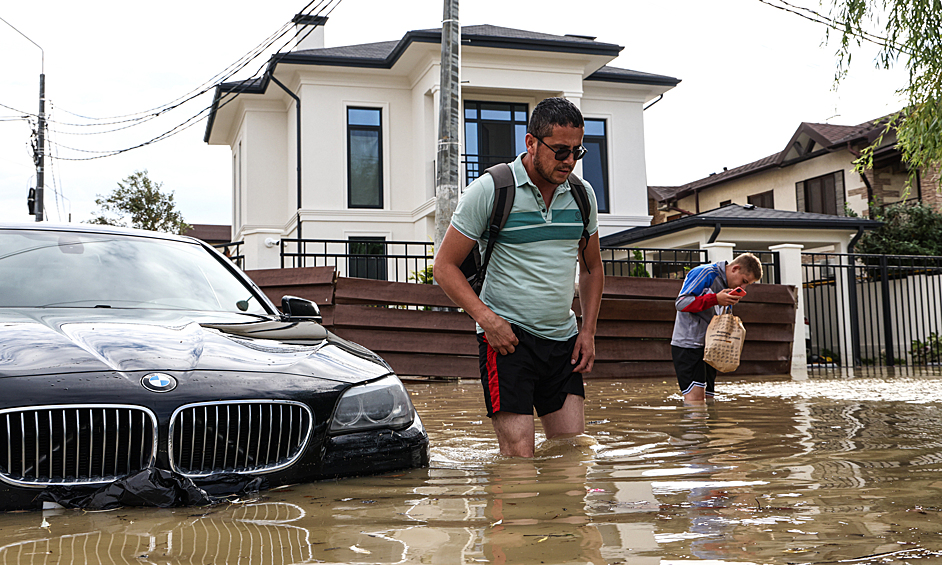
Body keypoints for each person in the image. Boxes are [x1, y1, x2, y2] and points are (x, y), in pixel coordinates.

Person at [433, 97, 604, 458]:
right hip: (507, 343)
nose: (569, 161)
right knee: (518, 462)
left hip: (564, 343)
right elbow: (444, 267)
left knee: (572, 456)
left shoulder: (581, 195)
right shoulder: (491, 190)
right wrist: (487, 320)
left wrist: (587, 331)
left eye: (577, 151)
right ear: (531, 143)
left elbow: (592, 268)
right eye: (560, 151)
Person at [671, 253, 763, 403]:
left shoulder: (728, 285)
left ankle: (707, 427)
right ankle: (692, 426)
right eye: (744, 281)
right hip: (689, 345)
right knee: (695, 401)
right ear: (735, 268)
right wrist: (715, 299)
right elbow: (681, 303)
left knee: (709, 401)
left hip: (710, 349)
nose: (743, 287)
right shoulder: (705, 273)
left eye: (748, 284)